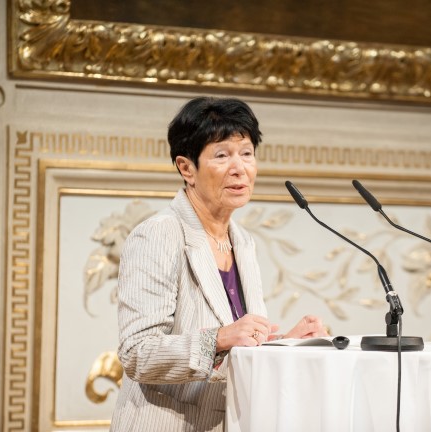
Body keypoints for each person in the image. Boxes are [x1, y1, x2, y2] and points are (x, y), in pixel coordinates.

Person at [110, 96, 328, 431]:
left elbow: (237, 346)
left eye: (247, 153)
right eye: (222, 155)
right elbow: (137, 352)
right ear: (187, 168)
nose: (239, 168)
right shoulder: (159, 234)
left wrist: (287, 344)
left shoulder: (243, 242)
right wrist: (219, 339)